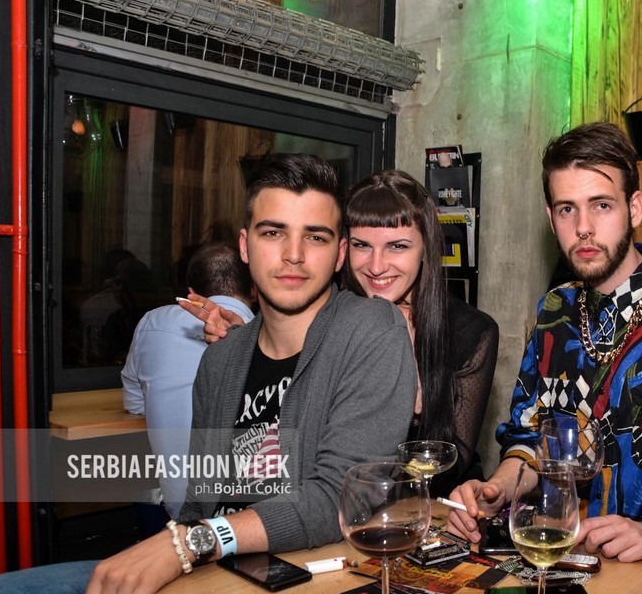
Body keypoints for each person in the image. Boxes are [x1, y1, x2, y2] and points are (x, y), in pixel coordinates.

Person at [0, 153, 417, 594]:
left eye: (316, 236)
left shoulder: (371, 329)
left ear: (339, 255)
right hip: (205, 590)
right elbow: (201, 497)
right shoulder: (222, 360)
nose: (293, 255)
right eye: (273, 232)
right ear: (245, 246)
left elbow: (340, 497)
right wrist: (180, 548)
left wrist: (189, 543)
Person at [446, 122, 642, 563]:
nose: (583, 228)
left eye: (601, 205)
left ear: (634, 208)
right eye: (567, 209)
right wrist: (498, 488)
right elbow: (530, 439)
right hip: (565, 558)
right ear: (551, 218)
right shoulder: (555, 310)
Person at [187, 169, 499, 497]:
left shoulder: (470, 331)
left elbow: (452, 462)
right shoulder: (327, 312)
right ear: (343, 249)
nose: (376, 266)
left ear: (426, 249)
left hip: (435, 505)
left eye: (397, 246)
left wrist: (407, 395)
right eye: (362, 245)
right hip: (335, 504)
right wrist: (246, 341)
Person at [121, 241, 255, 518]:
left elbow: (134, 404)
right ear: (254, 289)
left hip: (182, 512)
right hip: (255, 515)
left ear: (191, 293)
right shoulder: (269, 336)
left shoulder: (152, 323)